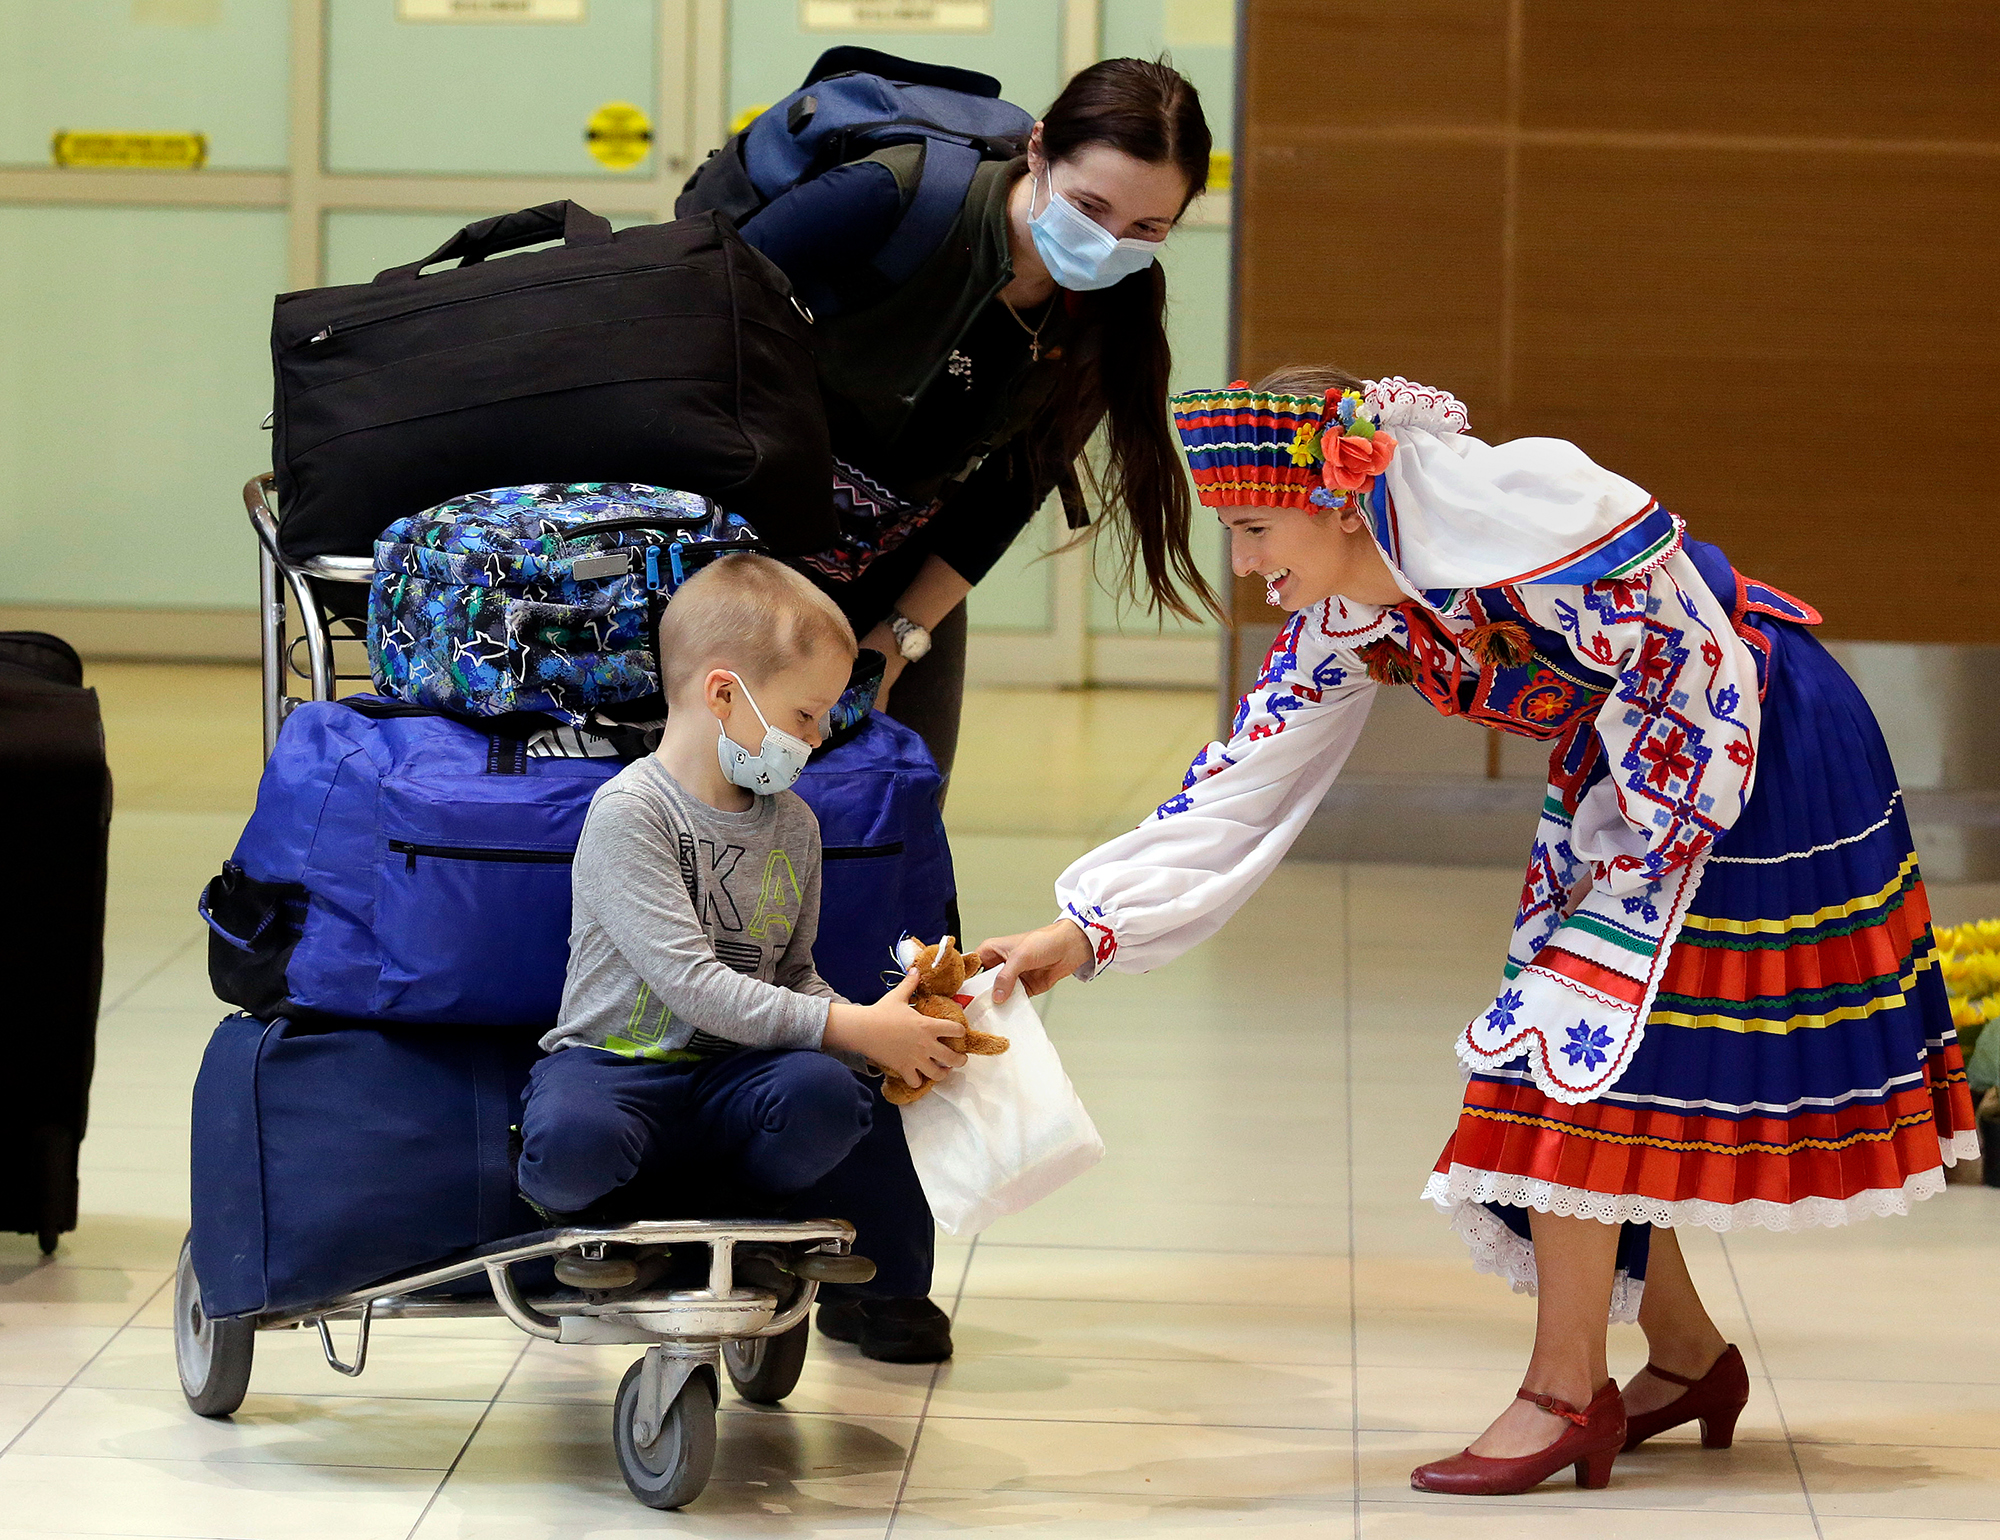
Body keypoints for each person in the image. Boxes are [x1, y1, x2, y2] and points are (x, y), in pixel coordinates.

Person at [976, 371, 1980, 1493]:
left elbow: (1693, 668)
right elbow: (1244, 776)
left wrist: (1636, 846)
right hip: (1635, 782)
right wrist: (1082, 927)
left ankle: (1566, 1393)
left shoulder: (1535, 523)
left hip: (1743, 756)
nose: (1247, 563)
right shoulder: (1347, 611)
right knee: (1588, 1063)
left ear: (1340, 497)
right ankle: (1688, 1358)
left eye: (1255, 527)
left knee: (1563, 1057)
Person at [516, 553, 969, 1363]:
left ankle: (741, 1224)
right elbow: (694, 987)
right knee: (572, 1139)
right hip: (617, 1066)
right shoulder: (631, 814)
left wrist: (884, 1030)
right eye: (805, 713)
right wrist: (857, 1027)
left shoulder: (793, 823)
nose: (820, 735)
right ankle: (605, 1231)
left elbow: (794, 977)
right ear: (723, 694)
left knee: (828, 1096)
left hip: (736, 1075)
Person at [738, 57, 1220, 779]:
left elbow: (1007, 494)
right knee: (725, 812)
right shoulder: (889, 199)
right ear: (1037, 151)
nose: (1110, 243)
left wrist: (894, 642)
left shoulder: (1108, 313)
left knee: (896, 815)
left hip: (897, 570)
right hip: (735, 549)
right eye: (1090, 208)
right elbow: (692, 326)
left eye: (1148, 226)